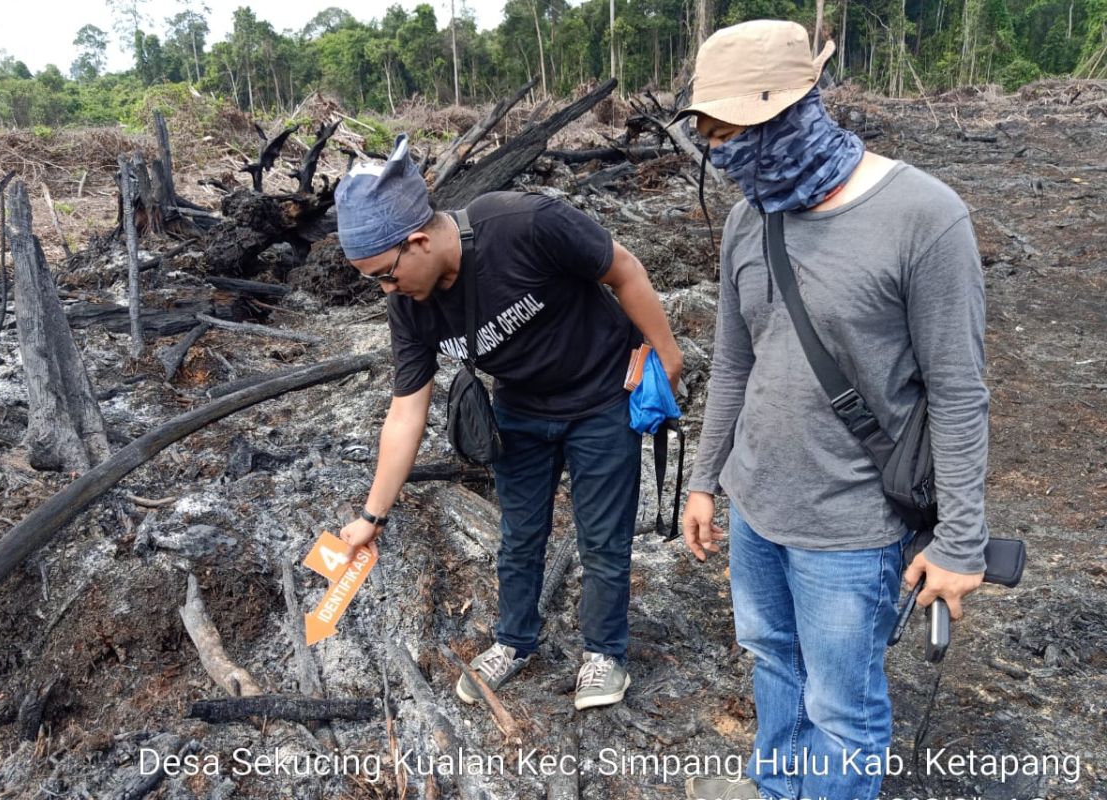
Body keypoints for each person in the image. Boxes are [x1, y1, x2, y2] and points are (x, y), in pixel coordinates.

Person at [674, 20, 990, 800]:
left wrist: (961, 542)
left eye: (729, 128)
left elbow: (958, 391)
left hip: (853, 531)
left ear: (792, 107)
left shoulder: (925, 217)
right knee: (774, 662)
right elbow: (736, 363)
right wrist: (706, 481)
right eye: (707, 129)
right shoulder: (753, 216)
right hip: (756, 511)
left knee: (843, 711)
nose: (717, 148)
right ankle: (778, 788)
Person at [332, 135, 683, 710]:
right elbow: (405, 411)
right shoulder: (408, 307)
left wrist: (665, 355)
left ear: (417, 241)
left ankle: (603, 653)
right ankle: (515, 642)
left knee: (602, 537)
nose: (386, 291)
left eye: (385, 275)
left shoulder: (525, 224)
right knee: (519, 537)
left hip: (601, 400)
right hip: (520, 411)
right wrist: (372, 515)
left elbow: (624, 269)